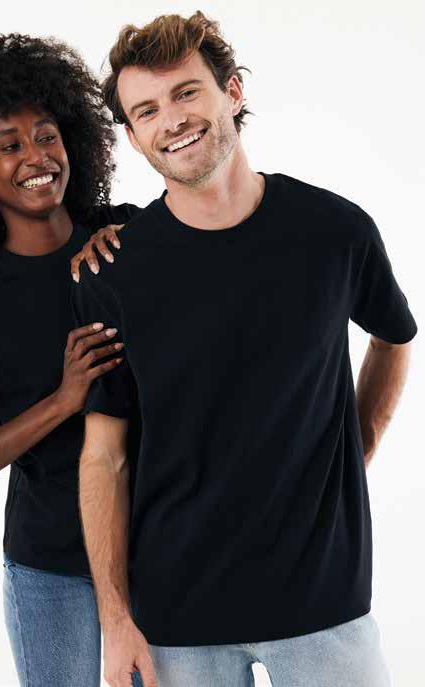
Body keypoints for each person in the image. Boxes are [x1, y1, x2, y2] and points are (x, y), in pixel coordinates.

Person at [73, 11, 418, 687]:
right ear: (134, 136)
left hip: (325, 603)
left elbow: (394, 335)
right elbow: (104, 455)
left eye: (186, 92)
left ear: (232, 92)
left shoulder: (334, 231)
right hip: (174, 618)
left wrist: (362, 440)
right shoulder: (114, 274)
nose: (171, 119)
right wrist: (115, 618)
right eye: (146, 110)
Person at [0, 34, 142, 686]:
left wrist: (145, 239)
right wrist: (62, 402)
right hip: (52, 571)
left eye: (46, 136)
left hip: (157, 550)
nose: (36, 157)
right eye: (9, 145)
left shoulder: (127, 236)